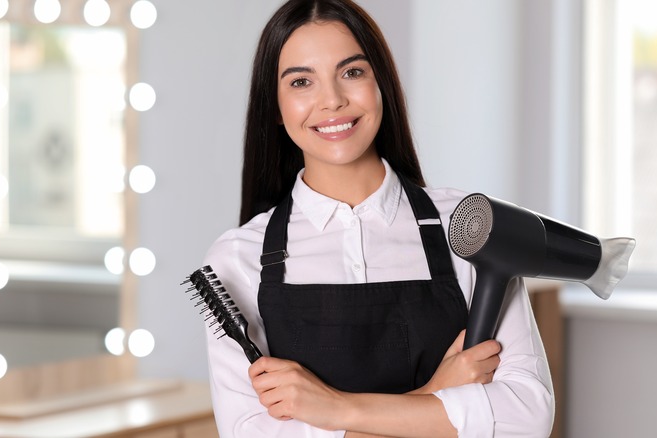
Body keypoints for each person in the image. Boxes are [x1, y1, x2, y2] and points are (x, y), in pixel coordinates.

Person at [202, 0, 554, 436]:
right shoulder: (239, 258)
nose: (331, 100)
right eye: (301, 82)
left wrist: (336, 411)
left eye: (352, 72)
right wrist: (434, 393)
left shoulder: (469, 227)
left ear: (380, 82)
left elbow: (526, 416)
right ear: (274, 106)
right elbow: (252, 433)